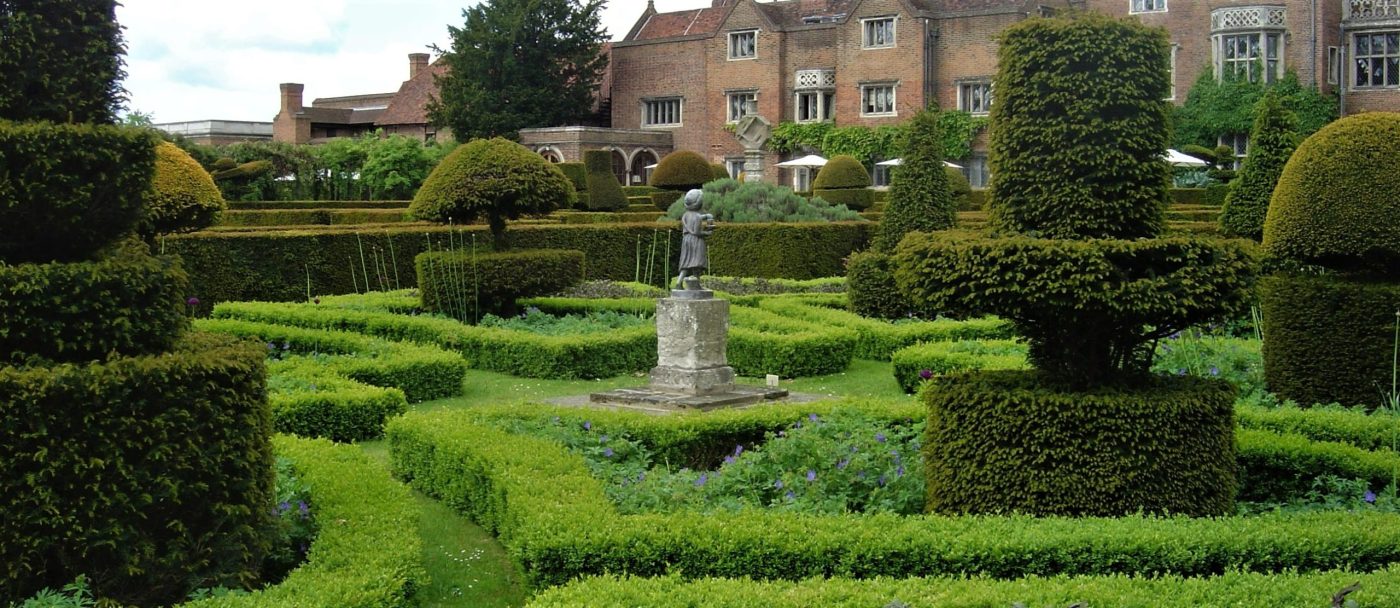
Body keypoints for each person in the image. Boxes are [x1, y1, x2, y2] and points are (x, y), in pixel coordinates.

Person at [675, 189, 713, 290]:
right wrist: (707, 233)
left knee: (686, 263)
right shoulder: (697, 217)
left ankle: (679, 282)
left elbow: (693, 222)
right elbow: (696, 232)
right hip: (696, 241)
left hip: (686, 240)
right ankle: (696, 284)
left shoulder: (686, 215)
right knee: (697, 263)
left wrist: (706, 216)